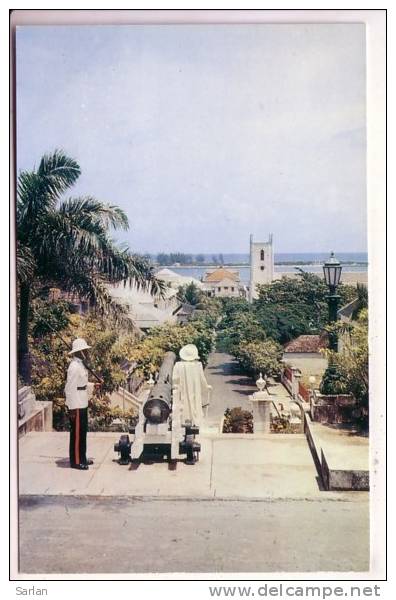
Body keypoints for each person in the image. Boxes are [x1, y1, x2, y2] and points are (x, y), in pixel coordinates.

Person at [65, 338, 96, 470]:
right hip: (76, 403)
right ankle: (76, 461)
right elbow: (70, 388)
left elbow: (81, 385)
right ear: (79, 352)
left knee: (82, 432)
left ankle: (82, 457)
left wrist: (94, 385)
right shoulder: (74, 367)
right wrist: (71, 407)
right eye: (84, 350)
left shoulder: (80, 365)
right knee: (77, 434)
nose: (87, 352)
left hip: (82, 400)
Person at [172, 344, 212, 426]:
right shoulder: (197, 365)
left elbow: (174, 379)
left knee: (183, 405)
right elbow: (202, 379)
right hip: (194, 390)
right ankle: (194, 422)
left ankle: (185, 422)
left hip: (182, 390)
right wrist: (206, 387)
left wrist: (175, 386)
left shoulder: (178, 365)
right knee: (194, 404)